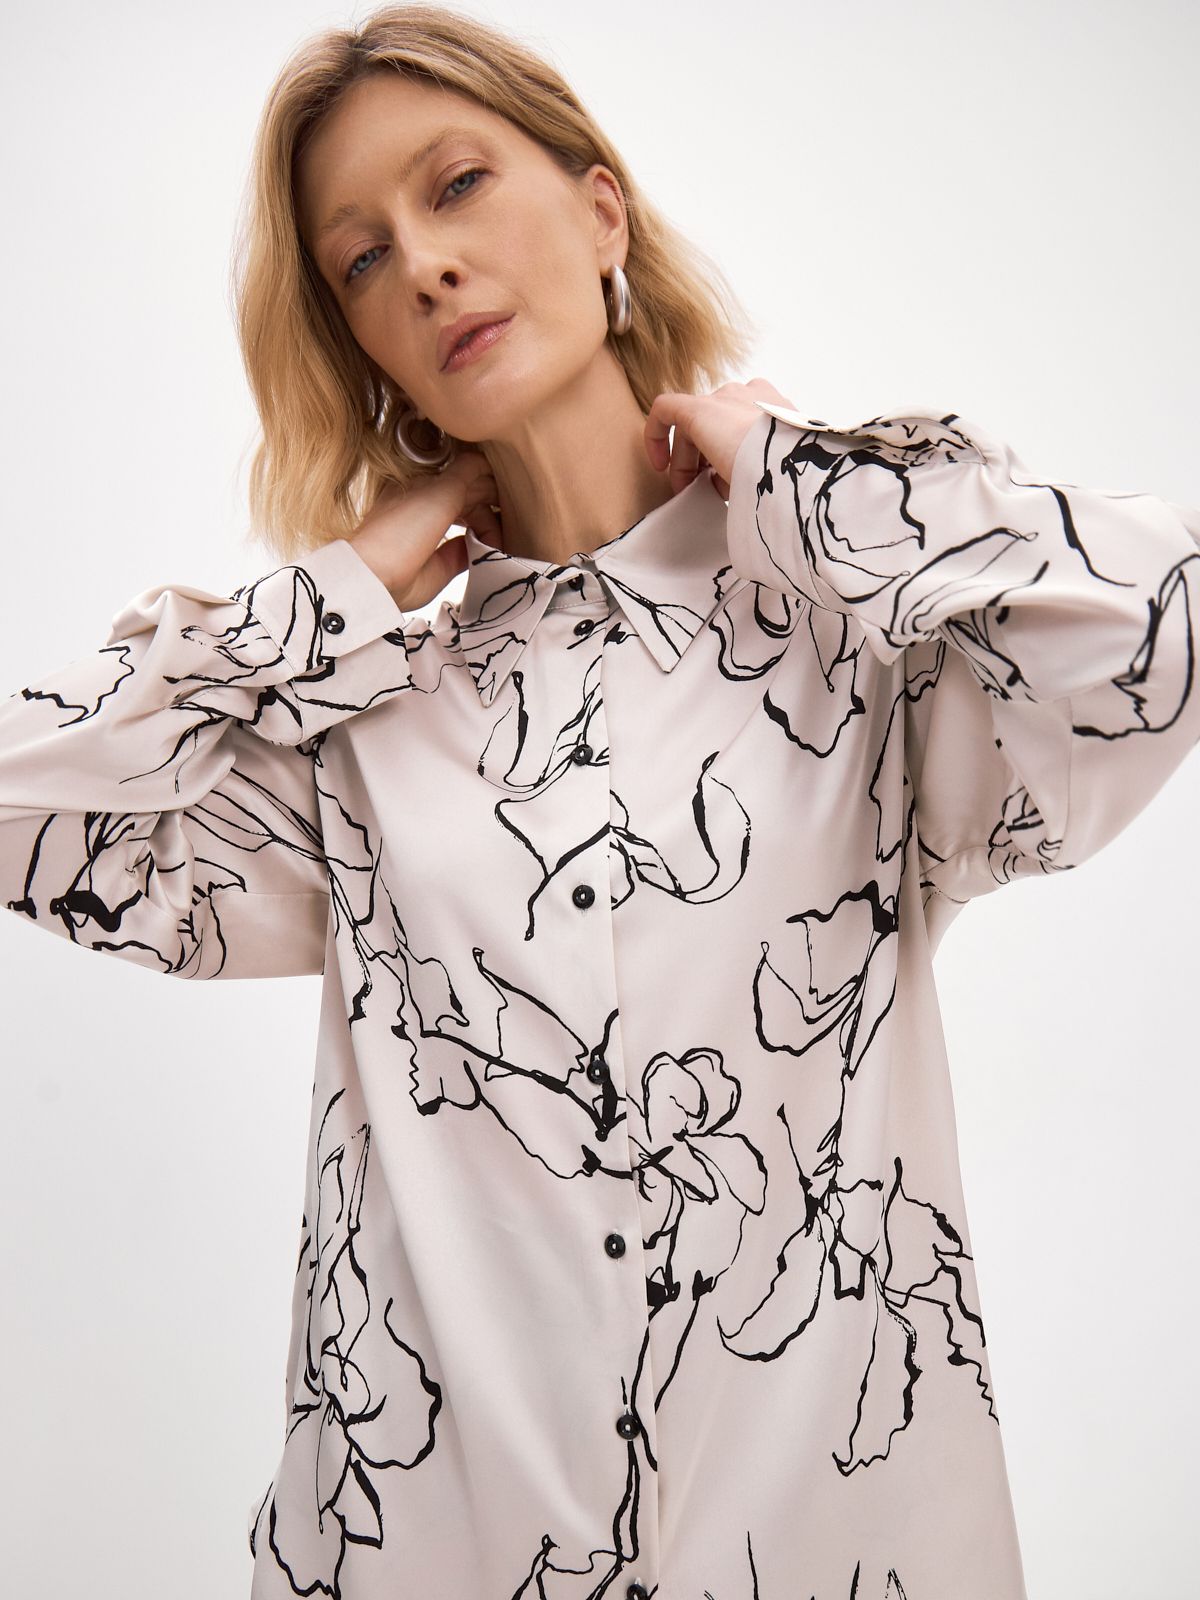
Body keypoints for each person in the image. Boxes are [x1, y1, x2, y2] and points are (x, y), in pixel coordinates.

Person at [2, 5, 1197, 1597]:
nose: (426, 267)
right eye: (362, 260)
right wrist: (334, 599)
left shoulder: (852, 638)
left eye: (457, 186)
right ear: (363, 347)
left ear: (601, 211)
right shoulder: (361, 731)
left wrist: (800, 474)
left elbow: (1157, 625)